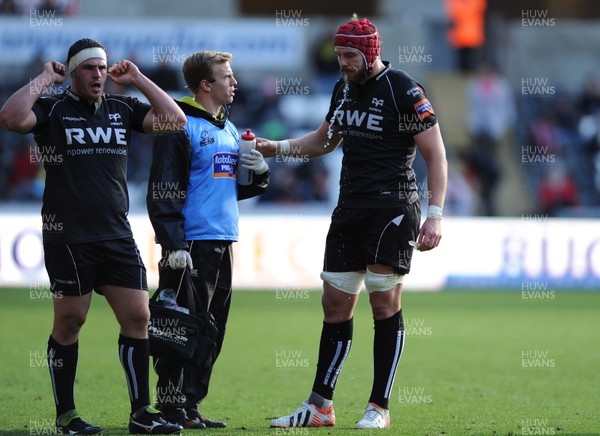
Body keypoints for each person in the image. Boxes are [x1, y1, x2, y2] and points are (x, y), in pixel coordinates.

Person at [256, 15, 448, 430]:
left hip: (393, 209)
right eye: (339, 54)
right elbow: (325, 139)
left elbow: (436, 154)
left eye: (348, 55)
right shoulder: (343, 89)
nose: (340, 62)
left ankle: (379, 407)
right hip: (349, 209)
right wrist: (277, 147)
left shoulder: (405, 90)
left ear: (369, 54)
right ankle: (320, 406)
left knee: (383, 303)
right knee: (334, 306)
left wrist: (434, 215)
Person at [0, 38, 186, 435]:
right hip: (67, 235)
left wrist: (137, 78)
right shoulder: (52, 109)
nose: (98, 74)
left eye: (102, 68)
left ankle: (141, 413)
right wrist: (43, 79)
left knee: (138, 315)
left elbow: (175, 121)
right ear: (72, 72)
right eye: (89, 68)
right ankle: (66, 415)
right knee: (70, 322)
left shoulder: (122, 108)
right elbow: (11, 119)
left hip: (116, 233)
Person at [146, 50, 270, 429]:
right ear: (205, 84)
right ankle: (170, 407)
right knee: (179, 327)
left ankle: (190, 405)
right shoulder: (181, 126)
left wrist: (259, 175)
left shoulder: (229, 129)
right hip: (191, 245)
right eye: (227, 77)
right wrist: (174, 245)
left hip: (222, 241)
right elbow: (164, 188)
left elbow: (229, 189)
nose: (235, 82)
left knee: (211, 328)